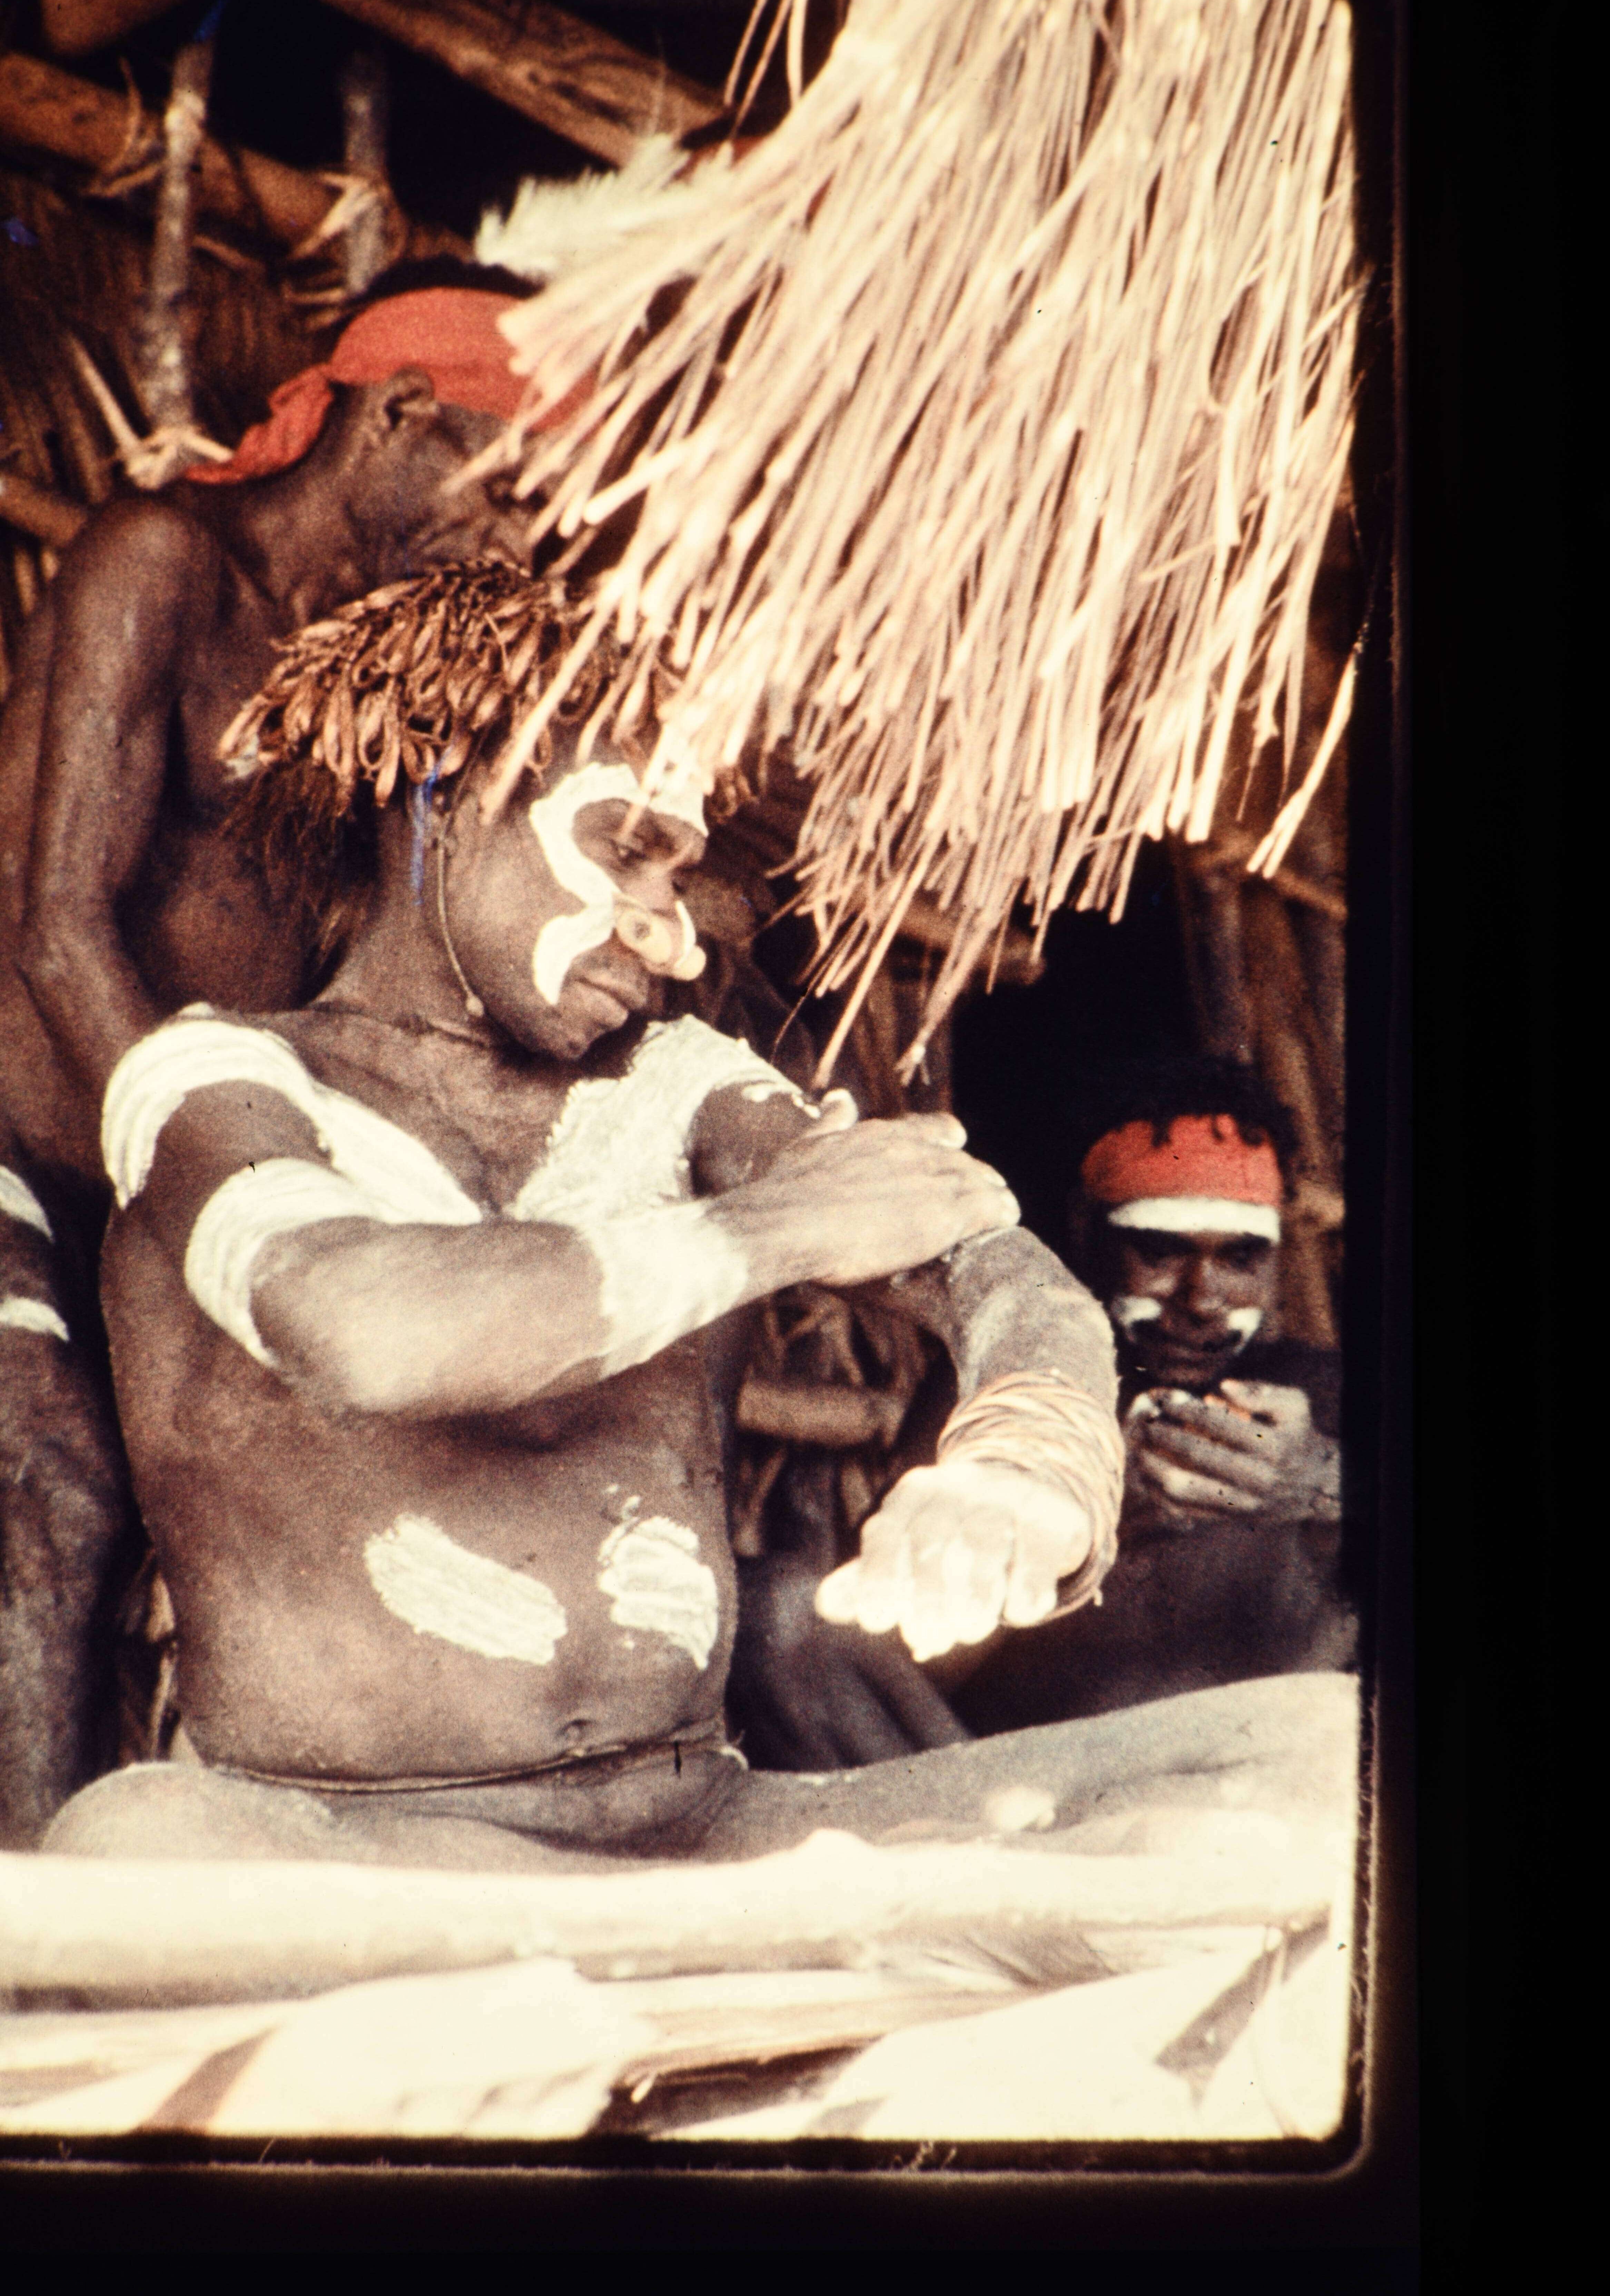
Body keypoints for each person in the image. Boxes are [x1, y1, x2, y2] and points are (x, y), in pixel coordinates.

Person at [43, 584, 1354, 1871]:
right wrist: (769, 1230)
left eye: (679, 877)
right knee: (137, 1844)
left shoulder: (678, 1087)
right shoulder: (214, 1084)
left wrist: (1025, 1466)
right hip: (355, 1851)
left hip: (697, 1833)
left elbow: (1003, 1270)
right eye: (627, 852)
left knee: (1314, 1752)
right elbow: (362, 1325)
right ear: (436, 790)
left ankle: (656, 1953)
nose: (670, 942)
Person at [0, 265, 552, 1846]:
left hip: (150, 1179)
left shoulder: (371, 664)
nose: (516, 539)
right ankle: (38, 1941)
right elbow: (56, 932)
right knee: (56, 1483)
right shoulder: (161, 560)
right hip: (38, 1146)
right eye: (507, 487)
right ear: (402, 413)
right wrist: (222, 1196)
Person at [950, 1056, 1356, 1734]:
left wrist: (1318, 1483)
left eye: (1240, 1258)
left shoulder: (1324, 1396)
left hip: (1248, 1776)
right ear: (1087, 1232)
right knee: (783, 1612)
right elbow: (903, 1661)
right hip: (1007, 1777)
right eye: (1161, 1252)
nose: (1202, 1298)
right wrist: (1080, 1519)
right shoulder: (1007, 1390)